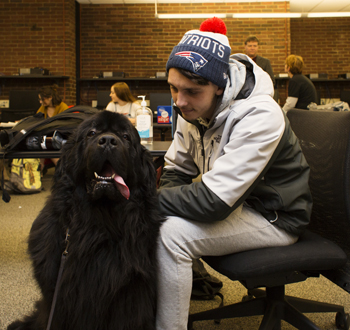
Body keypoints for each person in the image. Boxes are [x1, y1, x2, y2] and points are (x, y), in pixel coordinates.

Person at [156, 17, 312, 330]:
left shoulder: (259, 115)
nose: (179, 101)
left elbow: (213, 202)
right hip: (238, 204)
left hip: (275, 216)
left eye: (191, 92)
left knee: (170, 235)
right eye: (173, 88)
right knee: (160, 216)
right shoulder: (192, 107)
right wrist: (157, 201)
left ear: (219, 86)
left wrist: (147, 201)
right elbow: (177, 168)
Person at [37, 84, 68, 168]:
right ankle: (40, 168)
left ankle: (61, 168)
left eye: (42, 99)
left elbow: (66, 125)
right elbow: (37, 121)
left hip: (60, 137)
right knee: (41, 142)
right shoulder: (43, 108)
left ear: (50, 97)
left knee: (46, 145)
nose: (40, 102)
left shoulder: (62, 107)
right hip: (47, 136)